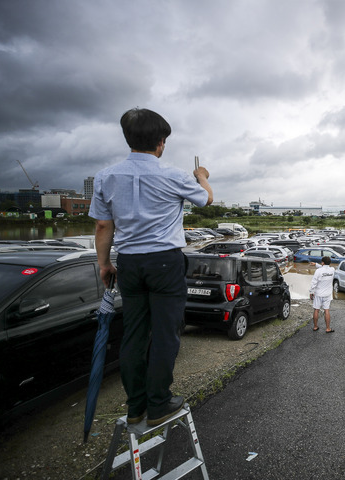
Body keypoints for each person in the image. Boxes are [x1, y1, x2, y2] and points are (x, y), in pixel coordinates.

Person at [89, 108, 213, 427]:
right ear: (161, 142)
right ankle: (159, 402)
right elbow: (206, 200)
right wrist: (203, 177)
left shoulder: (105, 177)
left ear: (128, 138)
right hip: (165, 261)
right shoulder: (173, 175)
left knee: (134, 333)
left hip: (129, 262)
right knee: (165, 333)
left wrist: (104, 264)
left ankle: (135, 406)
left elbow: (104, 226)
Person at [309, 256, 335, 333]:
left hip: (318, 293)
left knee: (316, 309)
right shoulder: (332, 270)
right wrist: (316, 264)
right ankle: (327, 328)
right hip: (327, 294)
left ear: (322, 262)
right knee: (326, 310)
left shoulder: (318, 271)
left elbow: (314, 282)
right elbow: (325, 268)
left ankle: (315, 326)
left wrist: (311, 292)